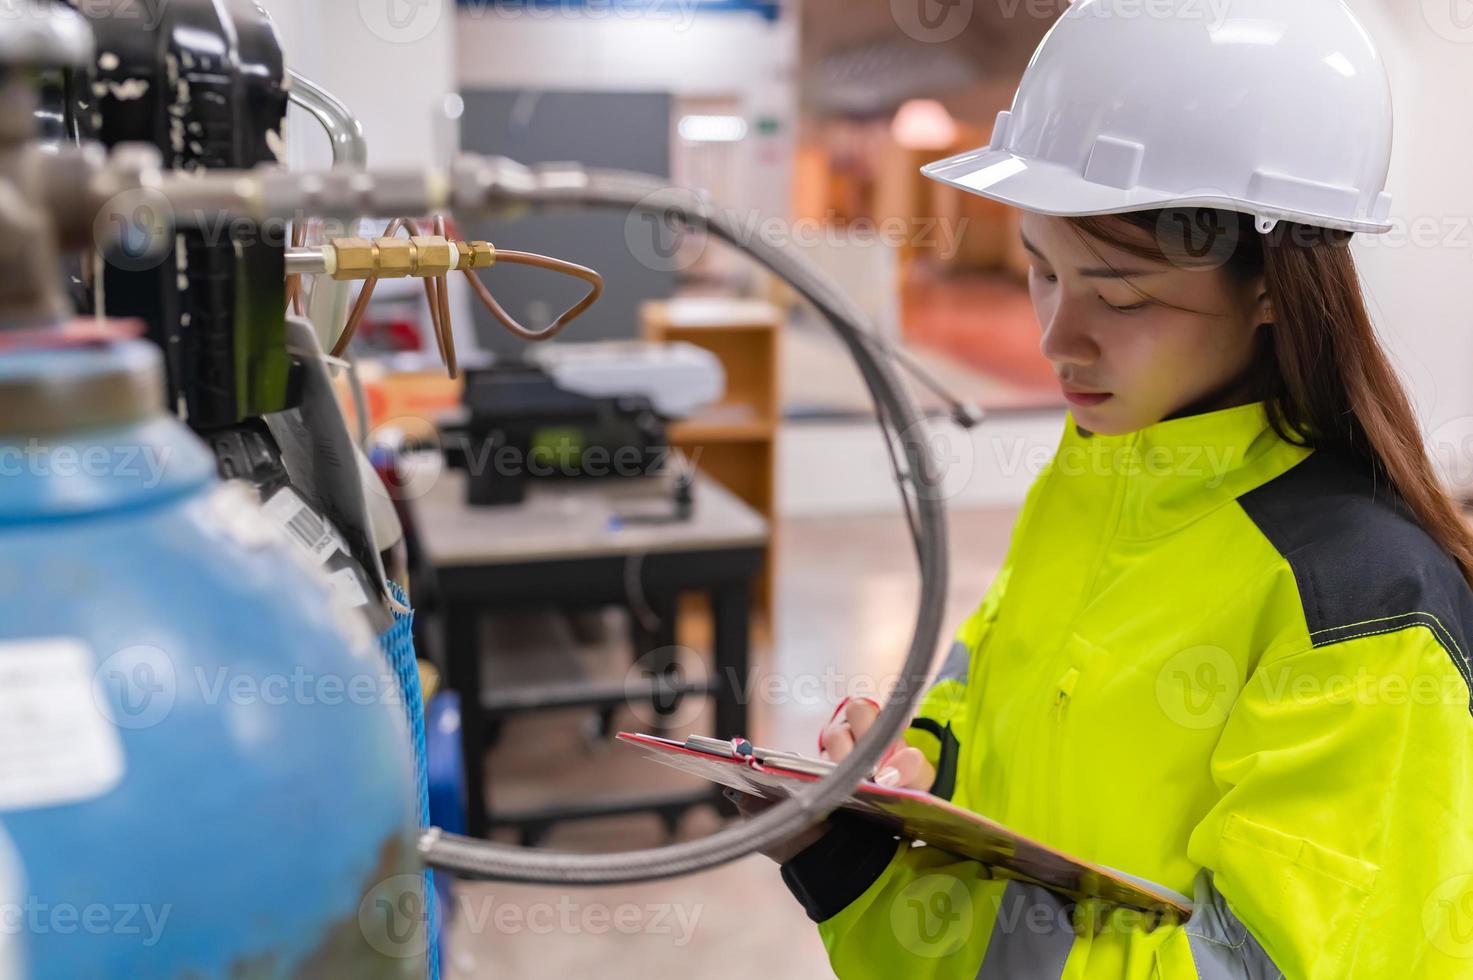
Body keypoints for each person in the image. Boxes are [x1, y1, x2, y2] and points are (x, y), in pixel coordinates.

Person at [734, 0, 1473, 976]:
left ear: (1270, 287)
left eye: (1120, 295)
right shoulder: (1099, 466)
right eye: (1042, 271)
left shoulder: (1361, 601)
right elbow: (991, 682)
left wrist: (876, 886)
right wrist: (913, 760)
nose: (1056, 337)